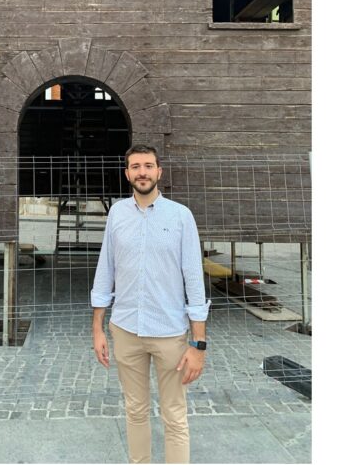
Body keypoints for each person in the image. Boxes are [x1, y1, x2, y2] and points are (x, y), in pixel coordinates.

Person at [91, 145, 210, 464]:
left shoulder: (181, 216)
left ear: (159, 171)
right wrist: (97, 329)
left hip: (169, 333)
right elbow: (105, 270)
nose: (142, 172)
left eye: (147, 165)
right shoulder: (117, 214)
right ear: (127, 173)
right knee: (135, 410)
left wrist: (198, 345)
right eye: (135, 166)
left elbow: (194, 281)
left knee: (174, 415)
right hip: (126, 330)